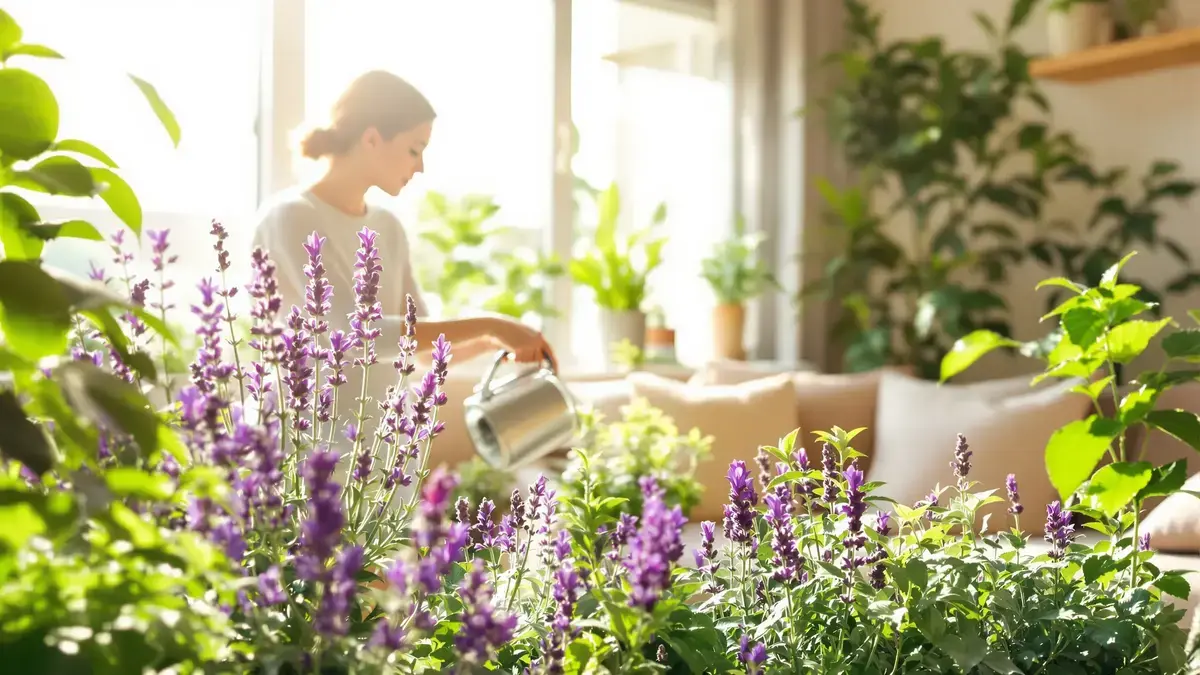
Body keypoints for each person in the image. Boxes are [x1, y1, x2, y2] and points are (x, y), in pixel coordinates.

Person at [251, 69, 557, 369]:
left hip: (387, 421)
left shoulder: (387, 227)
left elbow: (424, 352)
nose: (420, 166)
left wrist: (497, 340)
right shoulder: (292, 216)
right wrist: (492, 326)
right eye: (414, 150)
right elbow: (355, 336)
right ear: (371, 139)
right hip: (309, 420)